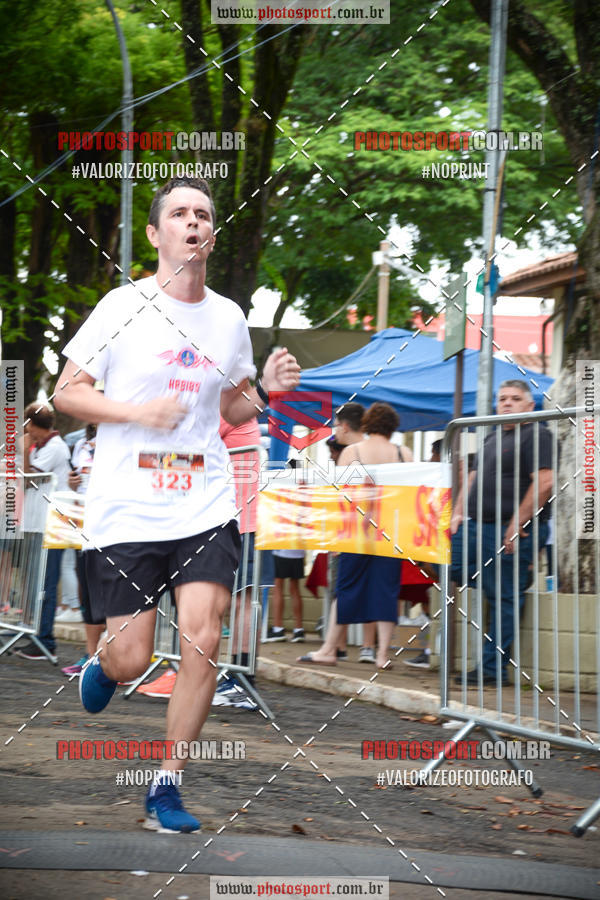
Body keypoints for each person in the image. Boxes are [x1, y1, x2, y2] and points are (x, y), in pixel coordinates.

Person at [54, 176, 300, 833]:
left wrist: (267, 391)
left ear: (211, 234)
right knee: (133, 657)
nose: (194, 222)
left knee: (204, 636)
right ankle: (107, 665)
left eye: (204, 214)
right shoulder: (120, 306)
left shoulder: (228, 318)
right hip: (127, 504)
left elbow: (228, 408)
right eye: (181, 213)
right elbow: (66, 394)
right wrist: (136, 412)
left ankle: (167, 787)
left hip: (204, 501)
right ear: (158, 234)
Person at [450, 380, 553, 686]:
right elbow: (472, 477)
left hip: (512, 529)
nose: (507, 403)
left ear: (529, 405)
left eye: (515, 398)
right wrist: (458, 512)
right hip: (477, 525)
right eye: (503, 398)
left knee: (504, 596)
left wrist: (517, 521)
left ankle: (493, 669)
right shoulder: (492, 436)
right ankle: (517, 578)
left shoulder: (538, 434)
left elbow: (545, 482)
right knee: (451, 567)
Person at [15, 403, 71, 661]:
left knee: (47, 583)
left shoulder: (56, 448)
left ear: (37, 426)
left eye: (30, 430)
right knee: (35, 582)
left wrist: (25, 450)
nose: (29, 434)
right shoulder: (43, 446)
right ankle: (35, 632)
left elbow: (28, 477)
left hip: (54, 524)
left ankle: (44, 640)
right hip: (38, 522)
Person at [61, 425, 106, 676]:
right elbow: (75, 482)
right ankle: (91, 658)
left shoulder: (120, 438)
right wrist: (72, 482)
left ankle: (113, 656)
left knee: (110, 591)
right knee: (87, 591)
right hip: (84, 525)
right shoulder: (79, 444)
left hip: (114, 525)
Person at [265, 547, 305, 642]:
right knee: (295, 588)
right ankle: (299, 630)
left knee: (278, 587)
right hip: (298, 551)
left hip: (281, 549)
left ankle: (278, 629)